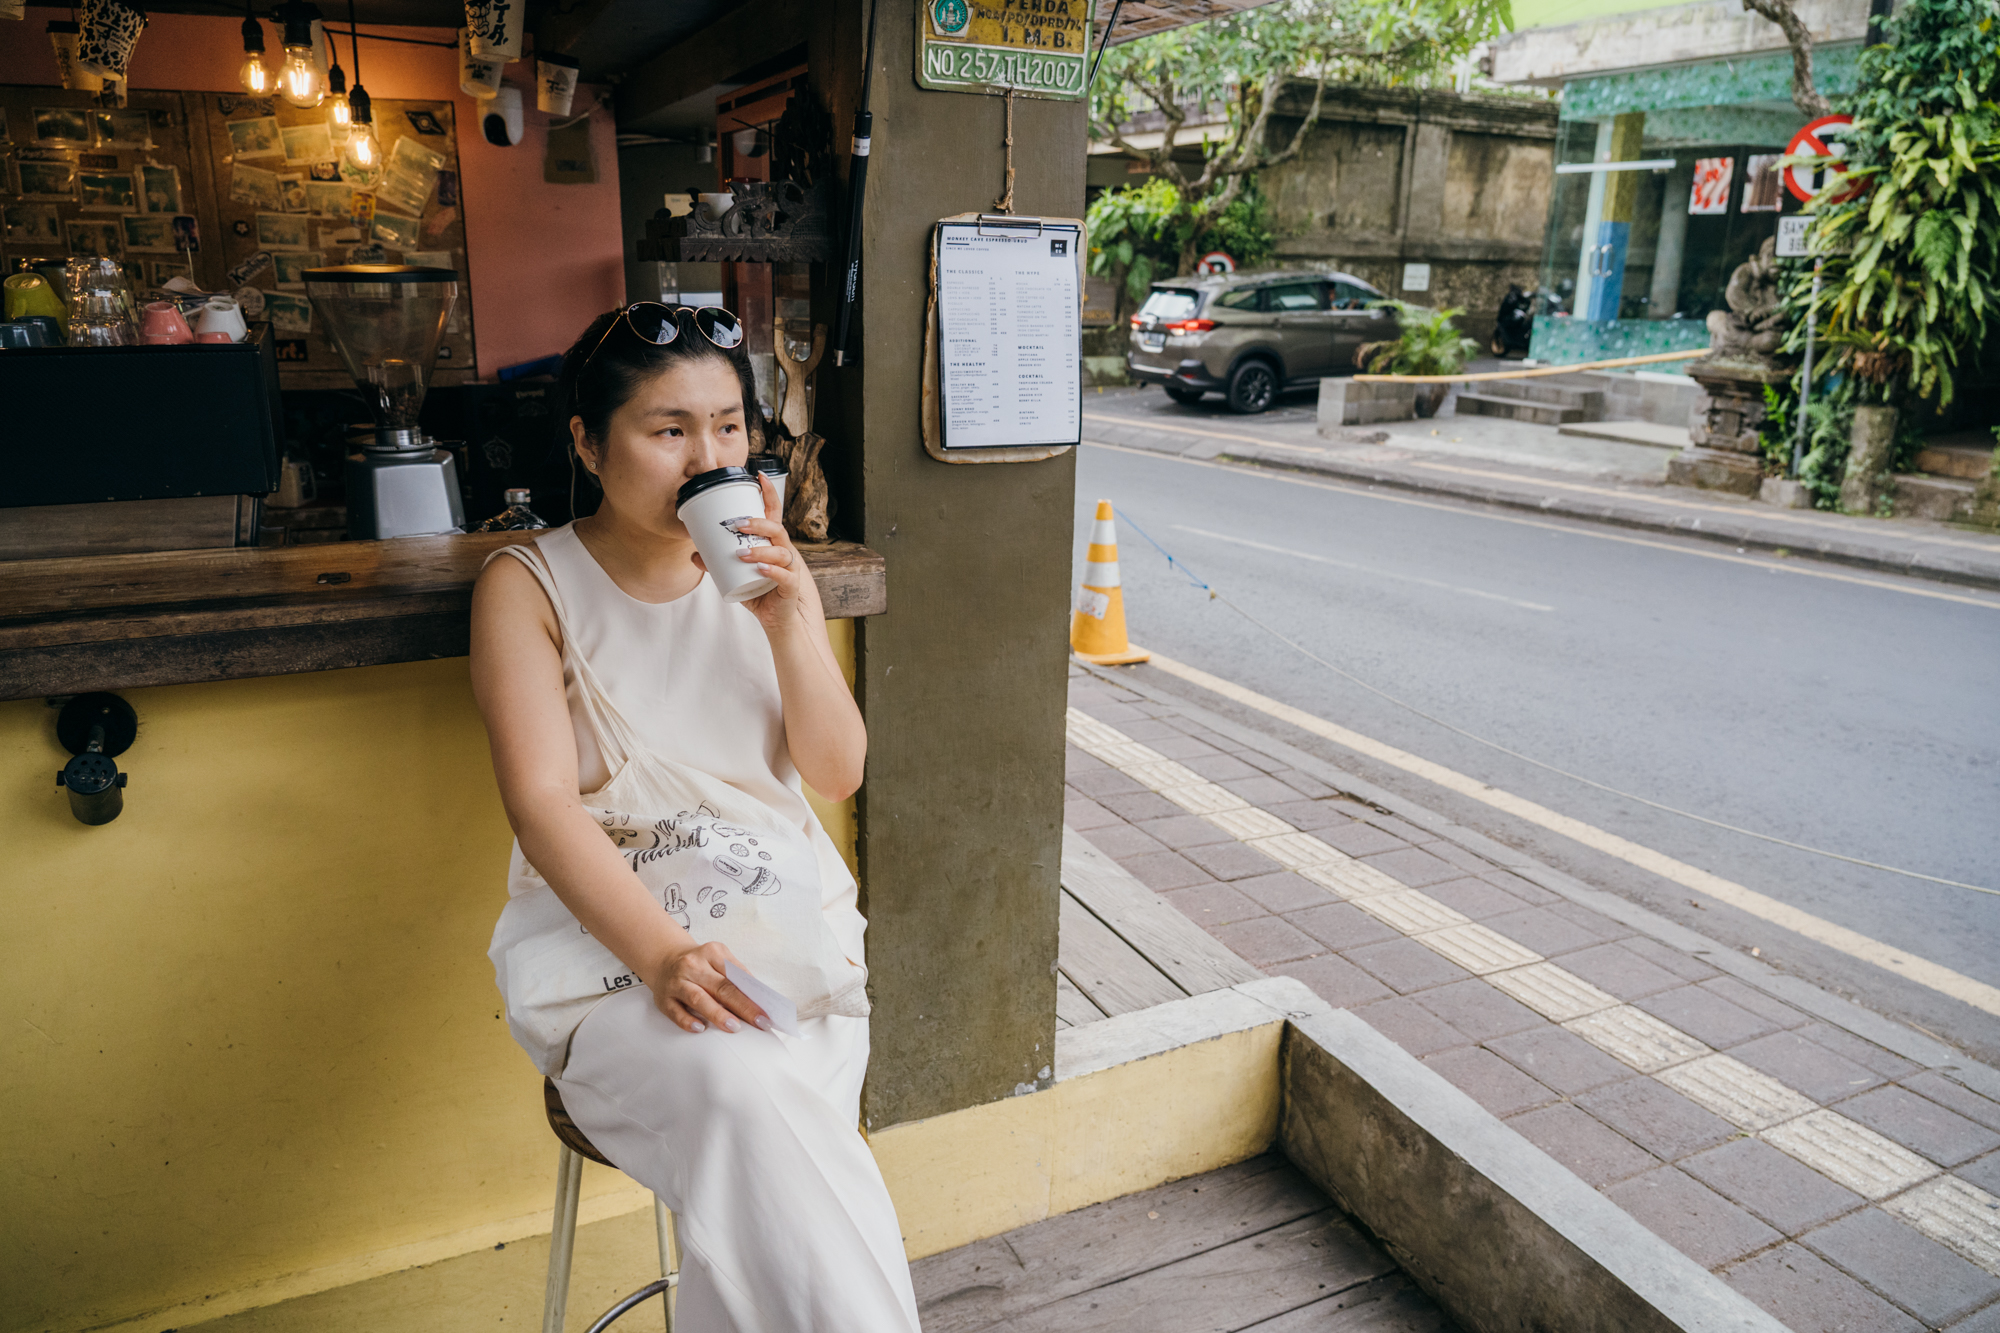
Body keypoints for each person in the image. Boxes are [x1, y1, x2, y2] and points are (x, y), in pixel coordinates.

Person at [469, 303, 920, 1331]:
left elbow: (835, 772)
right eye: (667, 430)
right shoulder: (528, 584)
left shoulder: (762, 575)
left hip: (780, 933)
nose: (705, 457)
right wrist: (667, 954)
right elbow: (541, 808)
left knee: (757, 1143)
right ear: (587, 441)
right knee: (740, 1091)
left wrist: (794, 618)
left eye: (727, 428)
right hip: (607, 953)